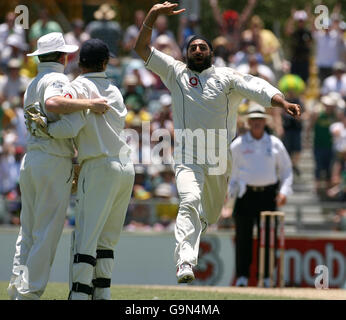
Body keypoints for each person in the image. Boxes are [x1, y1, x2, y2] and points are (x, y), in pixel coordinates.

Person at [134, 2, 301, 284]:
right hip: (187, 154)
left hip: (219, 158)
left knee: (208, 214)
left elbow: (256, 86)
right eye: (192, 47)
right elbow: (141, 50)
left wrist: (281, 102)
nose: (197, 50)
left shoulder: (226, 77)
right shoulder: (175, 73)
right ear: (186, 53)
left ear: (211, 53)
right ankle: (185, 262)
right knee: (189, 200)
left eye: (202, 47)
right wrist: (151, 16)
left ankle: (198, 229)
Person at [7, 32, 110, 300]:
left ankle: (18, 289)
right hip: (52, 160)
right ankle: (29, 294)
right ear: (64, 56)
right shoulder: (57, 79)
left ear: (40, 56)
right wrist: (91, 104)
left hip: (31, 161)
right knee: (46, 234)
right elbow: (54, 104)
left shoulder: (33, 82)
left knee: (28, 232)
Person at [30, 39, 135, 300]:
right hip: (125, 168)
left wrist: (46, 128)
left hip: (98, 166)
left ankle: (78, 295)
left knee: (86, 239)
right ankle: (103, 294)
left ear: (79, 62)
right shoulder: (114, 89)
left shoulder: (79, 85)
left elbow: (70, 126)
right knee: (107, 241)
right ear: (105, 62)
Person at [229, 103, 293, 287]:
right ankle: (242, 277)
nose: (256, 123)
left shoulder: (274, 143)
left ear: (265, 122)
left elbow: (287, 170)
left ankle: (265, 277)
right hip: (245, 194)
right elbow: (231, 174)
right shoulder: (239, 144)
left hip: (267, 195)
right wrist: (228, 198)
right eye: (253, 120)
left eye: (260, 119)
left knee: (268, 239)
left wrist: (283, 192)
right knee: (243, 237)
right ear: (248, 122)